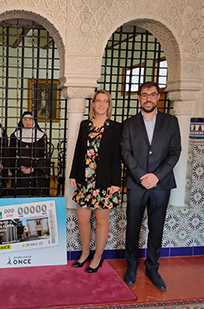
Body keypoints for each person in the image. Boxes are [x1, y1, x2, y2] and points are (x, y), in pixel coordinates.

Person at [121, 81, 181, 291]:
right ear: (139, 97)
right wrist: (141, 176)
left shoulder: (171, 121)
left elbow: (175, 152)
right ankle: (131, 266)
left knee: (156, 227)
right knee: (133, 226)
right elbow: (125, 153)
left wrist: (156, 177)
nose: (148, 98)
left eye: (153, 94)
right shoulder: (129, 123)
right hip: (136, 185)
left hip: (161, 184)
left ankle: (152, 268)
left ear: (158, 97)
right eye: (144, 95)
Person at [69, 89, 122, 273]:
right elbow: (78, 151)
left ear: (109, 105)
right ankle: (84, 253)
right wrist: (73, 175)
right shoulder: (84, 125)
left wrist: (116, 181)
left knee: (101, 220)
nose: (101, 104)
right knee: (83, 219)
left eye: (105, 101)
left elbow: (117, 156)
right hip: (85, 182)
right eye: (98, 100)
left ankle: (97, 258)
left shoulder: (115, 127)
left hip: (105, 182)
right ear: (92, 104)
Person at [9, 111, 47, 196]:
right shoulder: (15, 136)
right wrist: (19, 166)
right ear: (22, 121)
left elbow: (44, 155)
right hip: (19, 171)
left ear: (33, 121)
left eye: (30, 120)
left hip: (35, 172)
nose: (28, 122)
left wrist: (34, 168)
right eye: (25, 120)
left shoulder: (41, 136)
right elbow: (11, 154)